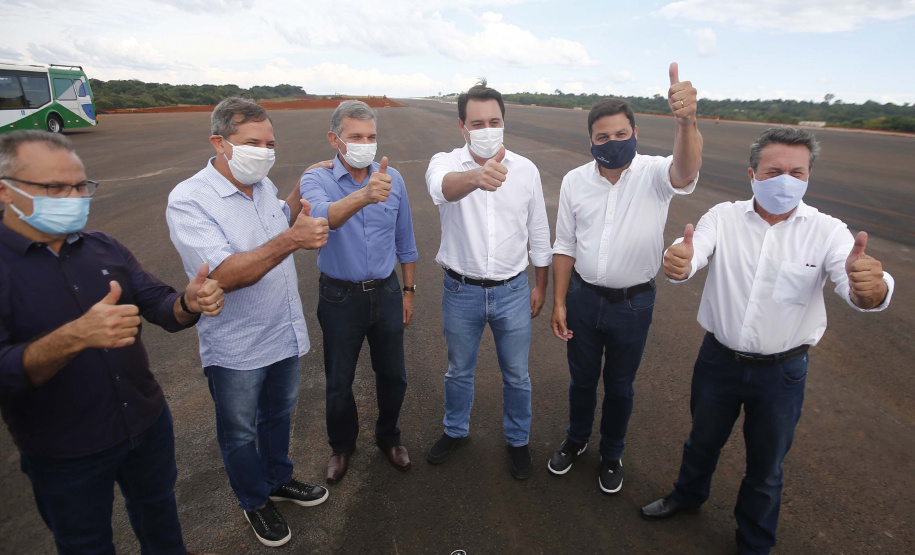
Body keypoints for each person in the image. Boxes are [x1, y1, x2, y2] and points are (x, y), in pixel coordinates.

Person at [640, 127, 895, 555]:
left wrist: (875, 289)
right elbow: (693, 252)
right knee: (702, 440)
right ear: (752, 174)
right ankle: (686, 496)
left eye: (798, 172)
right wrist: (679, 262)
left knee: (766, 465)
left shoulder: (829, 231)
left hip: (782, 373)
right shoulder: (722, 217)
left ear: (809, 177)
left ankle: (754, 542)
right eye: (775, 170)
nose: (786, 180)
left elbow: (853, 278)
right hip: (719, 362)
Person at [0, 130, 224, 554]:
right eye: (54, 187)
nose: (73, 196)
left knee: (161, 524)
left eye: (81, 185)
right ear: (6, 192)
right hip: (66, 451)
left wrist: (189, 302)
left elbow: (160, 305)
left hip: (146, 423)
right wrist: (73, 337)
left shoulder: (102, 248)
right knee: (86, 543)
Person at [166, 97, 331, 548]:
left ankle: (279, 478)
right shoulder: (189, 200)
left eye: (270, 142)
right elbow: (224, 273)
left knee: (277, 414)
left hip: (281, 330)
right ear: (220, 142)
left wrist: (300, 189)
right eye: (253, 142)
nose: (264, 150)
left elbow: (279, 219)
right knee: (239, 430)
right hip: (236, 345)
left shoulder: (259, 185)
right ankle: (254, 500)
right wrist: (294, 239)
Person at [548, 63, 702, 494]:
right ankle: (577, 439)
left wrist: (687, 121)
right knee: (581, 380)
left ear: (634, 132)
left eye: (620, 134)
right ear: (591, 140)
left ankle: (612, 451)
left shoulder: (655, 174)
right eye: (602, 137)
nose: (612, 142)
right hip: (582, 297)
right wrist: (560, 302)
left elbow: (687, 170)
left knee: (619, 385)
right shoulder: (575, 182)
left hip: (633, 303)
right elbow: (564, 245)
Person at [424, 80, 551, 479]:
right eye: (476, 123)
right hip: (461, 290)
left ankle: (518, 440)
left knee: (517, 374)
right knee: (459, 369)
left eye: (493, 121)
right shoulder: (445, 163)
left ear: (503, 123)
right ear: (462, 126)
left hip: (512, 290)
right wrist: (477, 177)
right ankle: (455, 430)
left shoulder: (526, 170)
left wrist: (541, 285)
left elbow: (540, 232)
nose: (485, 128)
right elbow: (440, 190)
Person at [299, 100, 418, 483]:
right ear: (335, 139)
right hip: (339, 297)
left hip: (385, 291)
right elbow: (322, 218)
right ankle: (342, 445)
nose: (365, 143)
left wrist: (409, 290)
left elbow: (406, 238)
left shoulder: (393, 178)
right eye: (356, 136)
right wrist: (365, 194)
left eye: (371, 136)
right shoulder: (316, 179)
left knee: (394, 375)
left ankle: (389, 437)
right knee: (338, 380)